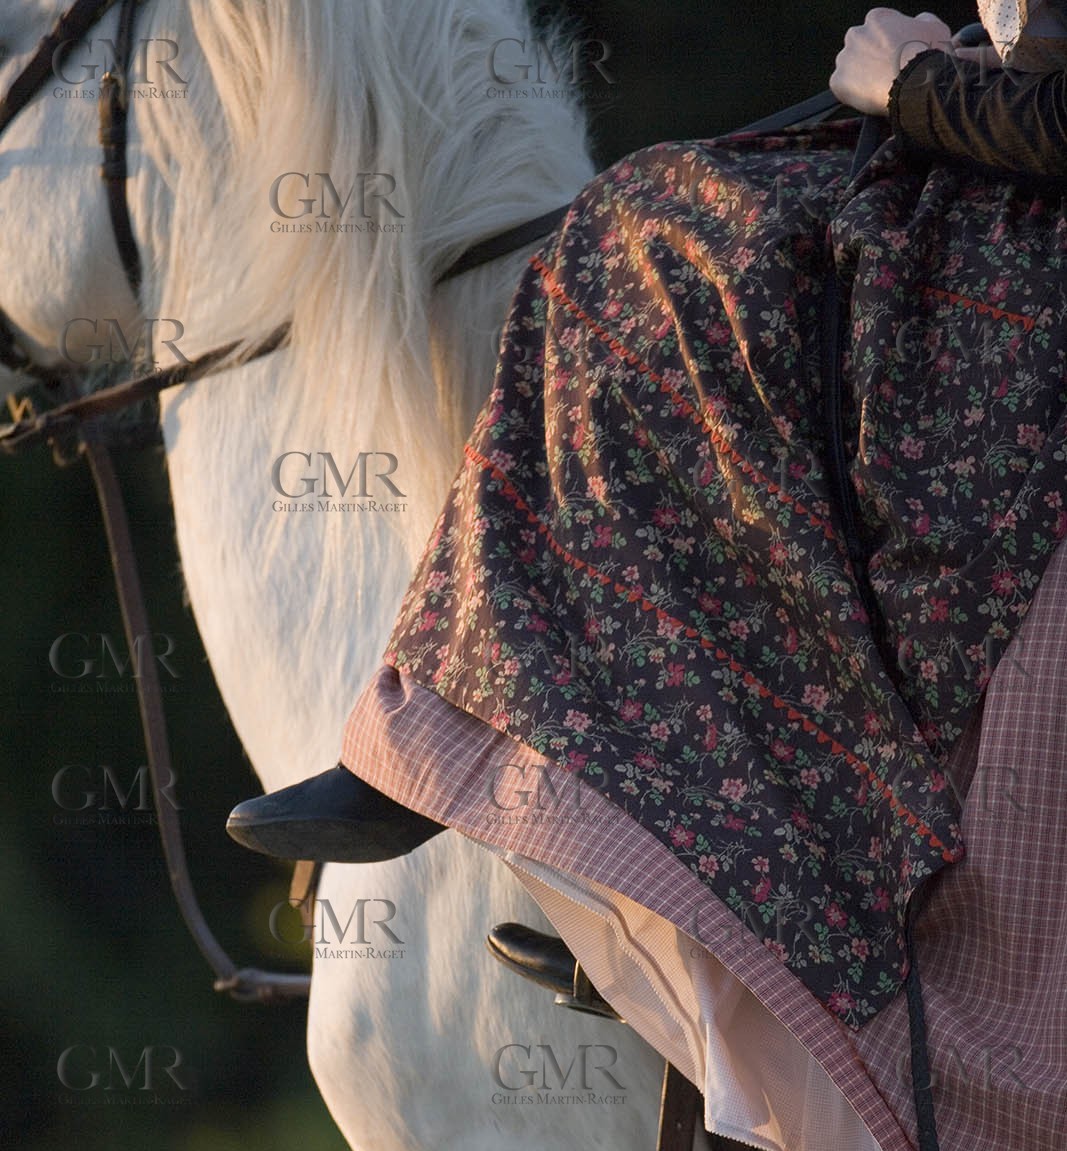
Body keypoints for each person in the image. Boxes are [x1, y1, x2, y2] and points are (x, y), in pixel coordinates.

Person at [227, 3, 1067, 864]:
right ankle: (562, 781)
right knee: (654, 215)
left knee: (656, 232)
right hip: (997, 179)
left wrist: (913, 86)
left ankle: (549, 780)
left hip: (1026, 239)